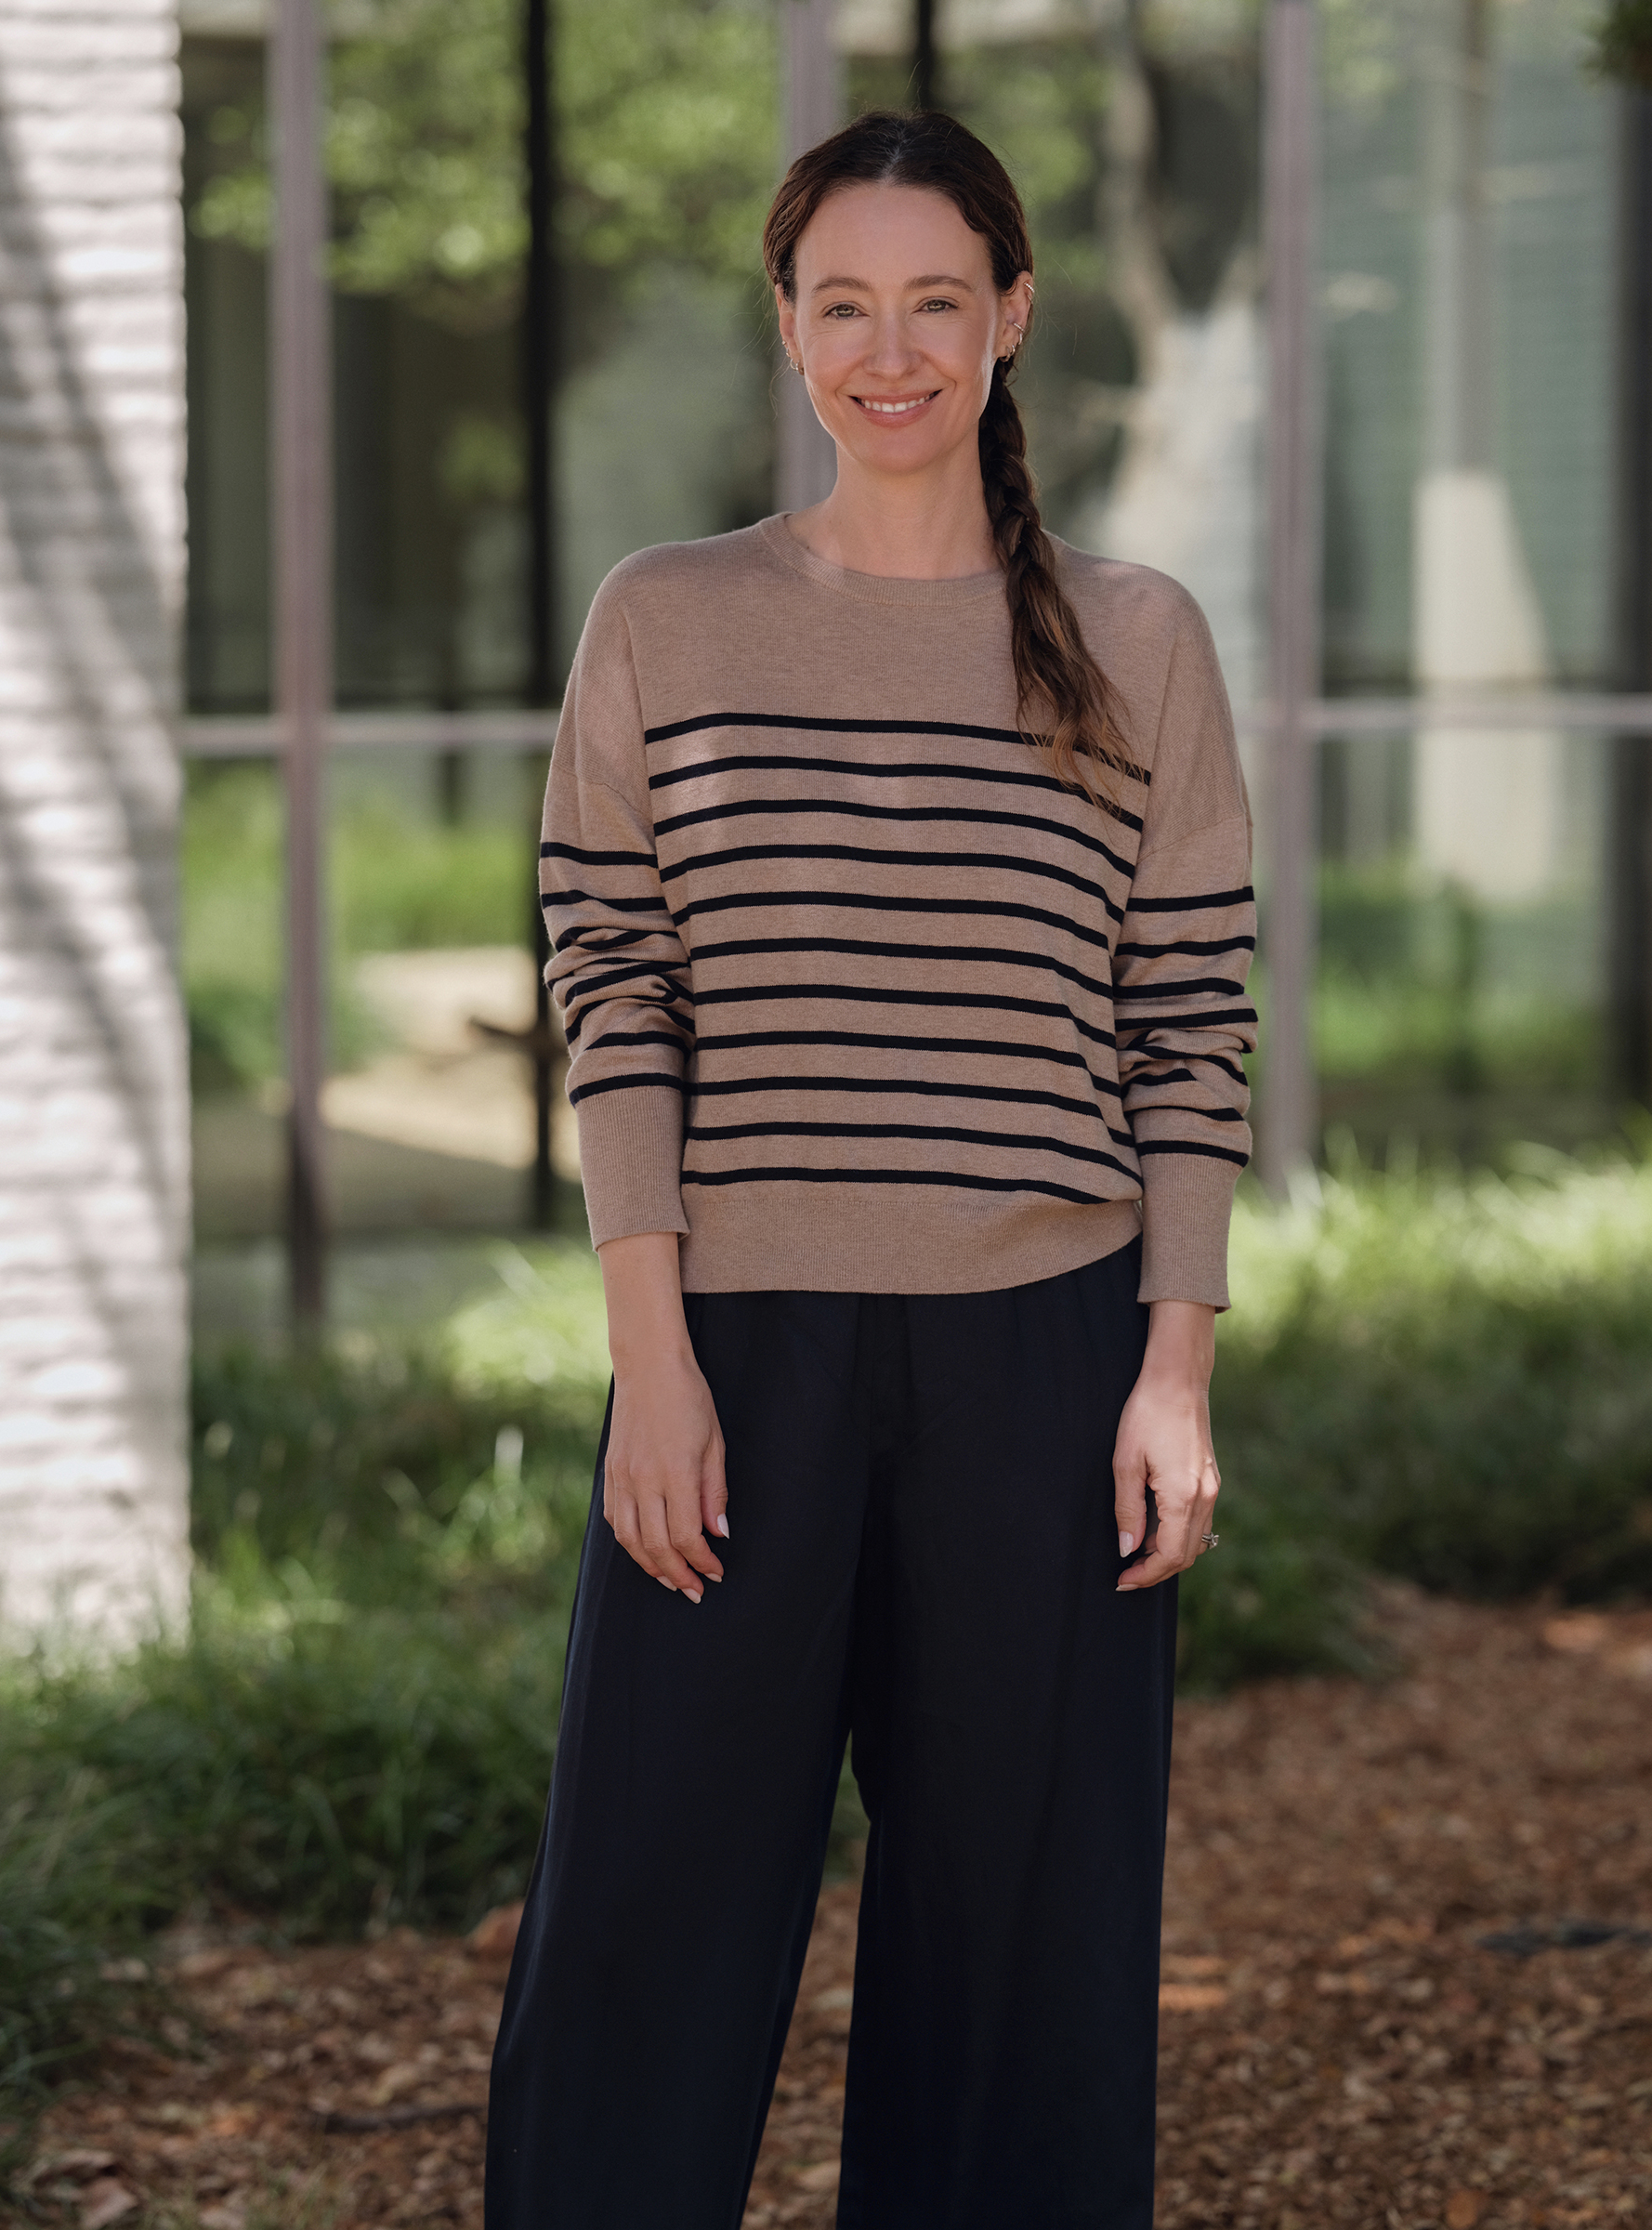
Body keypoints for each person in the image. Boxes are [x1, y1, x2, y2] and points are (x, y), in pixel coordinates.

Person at [485, 108, 1255, 2230]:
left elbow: (1186, 1026)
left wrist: (1170, 1370)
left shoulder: (1137, 640)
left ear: (1011, 318)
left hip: (1046, 1360)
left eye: (936, 302)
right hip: (736, 1350)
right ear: (789, 326)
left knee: (1026, 1955)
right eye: (844, 305)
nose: (889, 350)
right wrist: (651, 1357)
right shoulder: (668, 619)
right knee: (643, 1915)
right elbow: (613, 992)